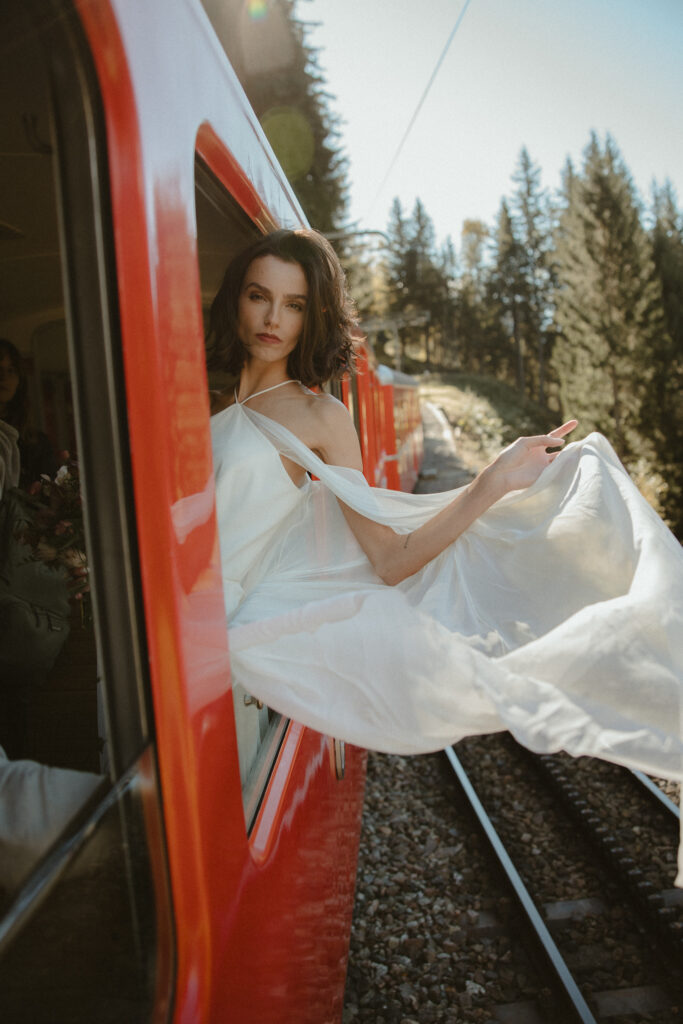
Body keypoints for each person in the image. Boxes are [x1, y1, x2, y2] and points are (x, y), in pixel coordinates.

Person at [208, 229, 683, 881]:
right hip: (158, 628)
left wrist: (488, 482)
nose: (271, 319)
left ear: (311, 316)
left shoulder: (319, 417)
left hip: (215, 660)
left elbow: (390, 558)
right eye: (259, 296)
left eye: (293, 305)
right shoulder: (200, 397)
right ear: (235, 298)